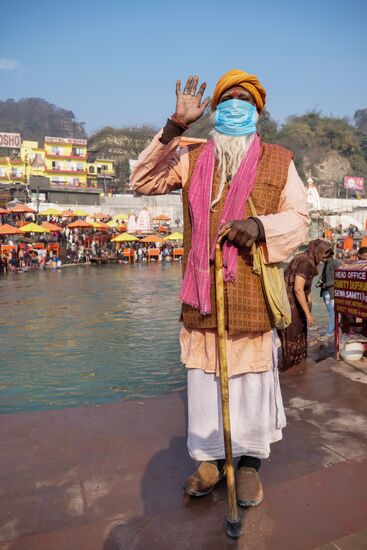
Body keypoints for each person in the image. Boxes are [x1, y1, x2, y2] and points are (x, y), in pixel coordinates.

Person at [131, 70, 309, 507]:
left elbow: (300, 219)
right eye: (226, 98)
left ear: (256, 111)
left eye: (242, 99)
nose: (233, 104)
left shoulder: (279, 160)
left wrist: (259, 225)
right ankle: (211, 461)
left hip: (249, 289)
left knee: (251, 382)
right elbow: (141, 181)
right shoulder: (192, 157)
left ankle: (248, 464)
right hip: (203, 294)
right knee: (205, 380)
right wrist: (176, 125)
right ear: (214, 111)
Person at [279, 239, 332, 371]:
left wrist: (309, 306)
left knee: (297, 334)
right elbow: (298, 288)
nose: (324, 258)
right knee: (293, 335)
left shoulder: (303, 258)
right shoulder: (305, 263)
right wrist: (308, 313)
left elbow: (306, 289)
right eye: (323, 254)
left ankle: (292, 366)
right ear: (316, 251)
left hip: (291, 302)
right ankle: (290, 369)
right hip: (291, 304)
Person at [317, 247, 339, 337]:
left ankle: (329, 332)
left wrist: (326, 284)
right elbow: (324, 277)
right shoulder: (326, 264)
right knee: (332, 312)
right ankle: (331, 331)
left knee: (332, 313)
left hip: (330, 292)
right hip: (325, 292)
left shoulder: (336, 264)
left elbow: (339, 279)